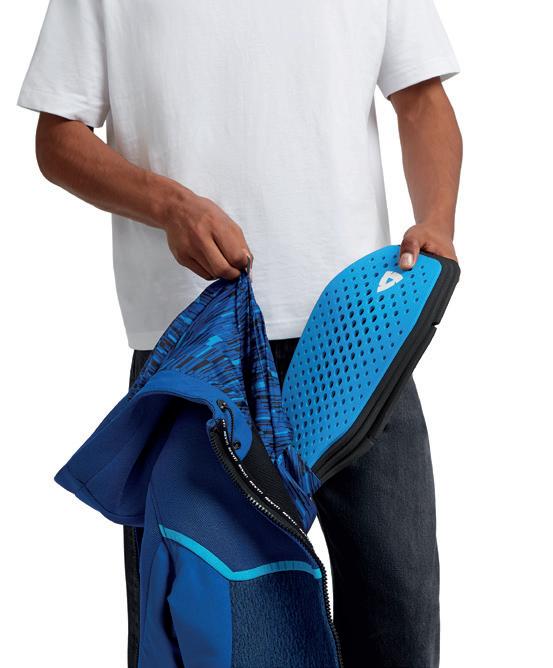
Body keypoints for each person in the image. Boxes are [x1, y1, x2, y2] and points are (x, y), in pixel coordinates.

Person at [18, 1, 462, 666]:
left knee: (395, 619)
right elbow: (58, 136)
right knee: (196, 624)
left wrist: (438, 221)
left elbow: (421, 99)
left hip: (356, 334)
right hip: (195, 343)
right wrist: (170, 205)